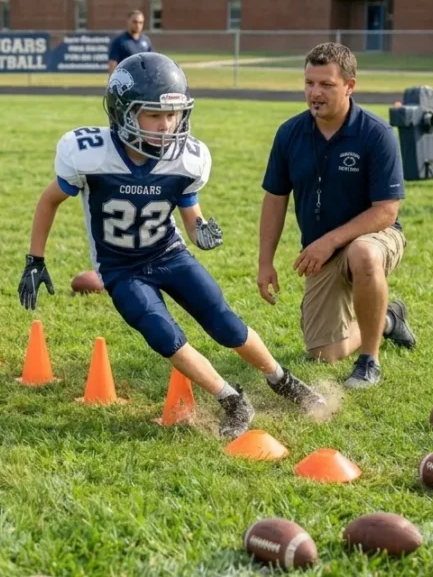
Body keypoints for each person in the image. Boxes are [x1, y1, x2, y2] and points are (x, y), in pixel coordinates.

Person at [18, 52, 323, 439]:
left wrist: (201, 232)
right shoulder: (90, 153)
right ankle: (232, 399)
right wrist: (35, 258)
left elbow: (189, 214)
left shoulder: (187, 158)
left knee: (225, 322)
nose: (166, 125)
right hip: (121, 268)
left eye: (173, 115)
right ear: (123, 113)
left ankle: (282, 380)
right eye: (154, 115)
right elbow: (49, 201)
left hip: (169, 254)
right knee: (163, 334)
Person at [257, 42, 416, 388]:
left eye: (326, 84)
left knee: (363, 253)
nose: (315, 93)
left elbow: (386, 211)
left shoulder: (377, 134)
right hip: (322, 251)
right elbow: (275, 198)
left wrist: (328, 242)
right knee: (324, 353)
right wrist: (265, 262)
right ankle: (388, 319)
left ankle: (369, 361)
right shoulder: (289, 134)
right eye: (309, 83)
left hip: (375, 236)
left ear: (349, 86)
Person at [107, 10, 152, 75]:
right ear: (128, 21)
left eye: (140, 22)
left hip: (142, 79)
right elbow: (112, 63)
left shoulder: (146, 40)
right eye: (135, 22)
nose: (138, 25)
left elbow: (151, 62)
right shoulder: (119, 41)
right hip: (127, 80)